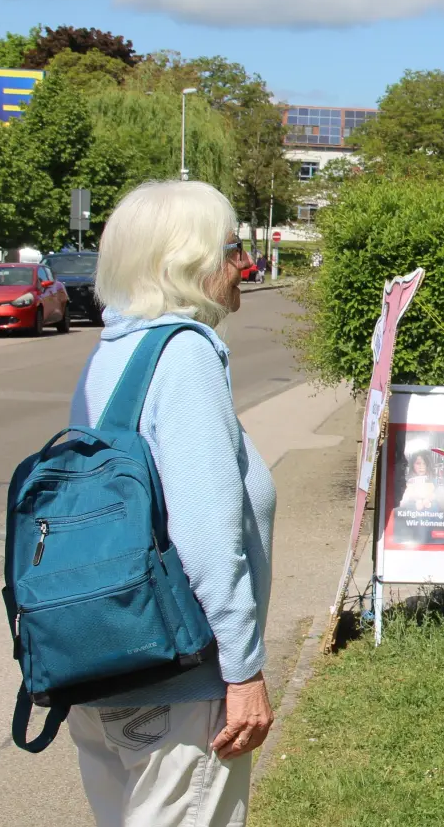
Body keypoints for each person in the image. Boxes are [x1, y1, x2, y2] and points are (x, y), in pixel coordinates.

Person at [68, 180, 275, 827]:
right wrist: (242, 673)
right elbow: (208, 534)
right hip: (182, 682)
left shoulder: (115, 350)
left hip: (105, 666)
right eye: (235, 248)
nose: (247, 265)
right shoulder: (185, 355)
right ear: (190, 262)